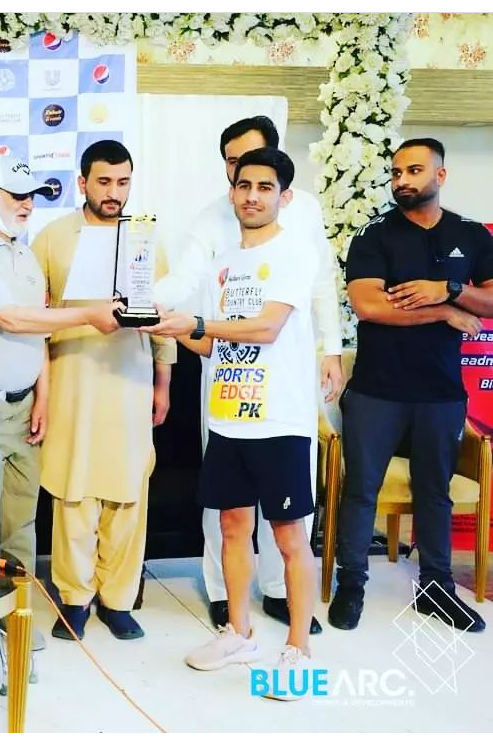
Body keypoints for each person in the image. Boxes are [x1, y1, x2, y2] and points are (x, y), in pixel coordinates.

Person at [155, 116, 340, 633]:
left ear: (283, 189)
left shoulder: (296, 244)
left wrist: (332, 348)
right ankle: (231, 616)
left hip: (281, 413)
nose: (250, 191)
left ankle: (292, 627)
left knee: (289, 529)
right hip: (229, 412)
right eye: (238, 173)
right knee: (230, 520)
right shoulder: (222, 252)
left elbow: (268, 326)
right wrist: (150, 315)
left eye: (262, 181)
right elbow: (194, 307)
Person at [0, 154, 121, 657]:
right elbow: (11, 319)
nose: (26, 205)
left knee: (20, 518)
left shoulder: (23, 252)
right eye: (16, 196)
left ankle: (12, 614)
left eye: (31, 197)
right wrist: (89, 314)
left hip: (21, 408)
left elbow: (37, 329)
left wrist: (43, 394)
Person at [330, 138, 491, 633]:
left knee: (435, 493)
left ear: (440, 176)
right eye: (396, 172)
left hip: (441, 394)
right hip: (376, 391)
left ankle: (436, 590)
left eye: (414, 171)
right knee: (361, 491)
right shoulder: (374, 235)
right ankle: (351, 585)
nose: (402, 180)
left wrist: (450, 289)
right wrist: (444, 312)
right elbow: (369, 306)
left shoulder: (470, 235)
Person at [30, 140, 175, 641]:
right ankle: (74, 599)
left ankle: (118, 600)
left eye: (123, 182)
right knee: (74, 491)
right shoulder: (52, 238)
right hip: (71, 377)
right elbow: (35, 319)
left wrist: (163, 384)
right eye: (104, 182)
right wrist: (41, 391)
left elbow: (164, 315)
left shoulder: (145, 240)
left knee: (128, 490)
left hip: (130, 379)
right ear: (82, 182)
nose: (114, 192)